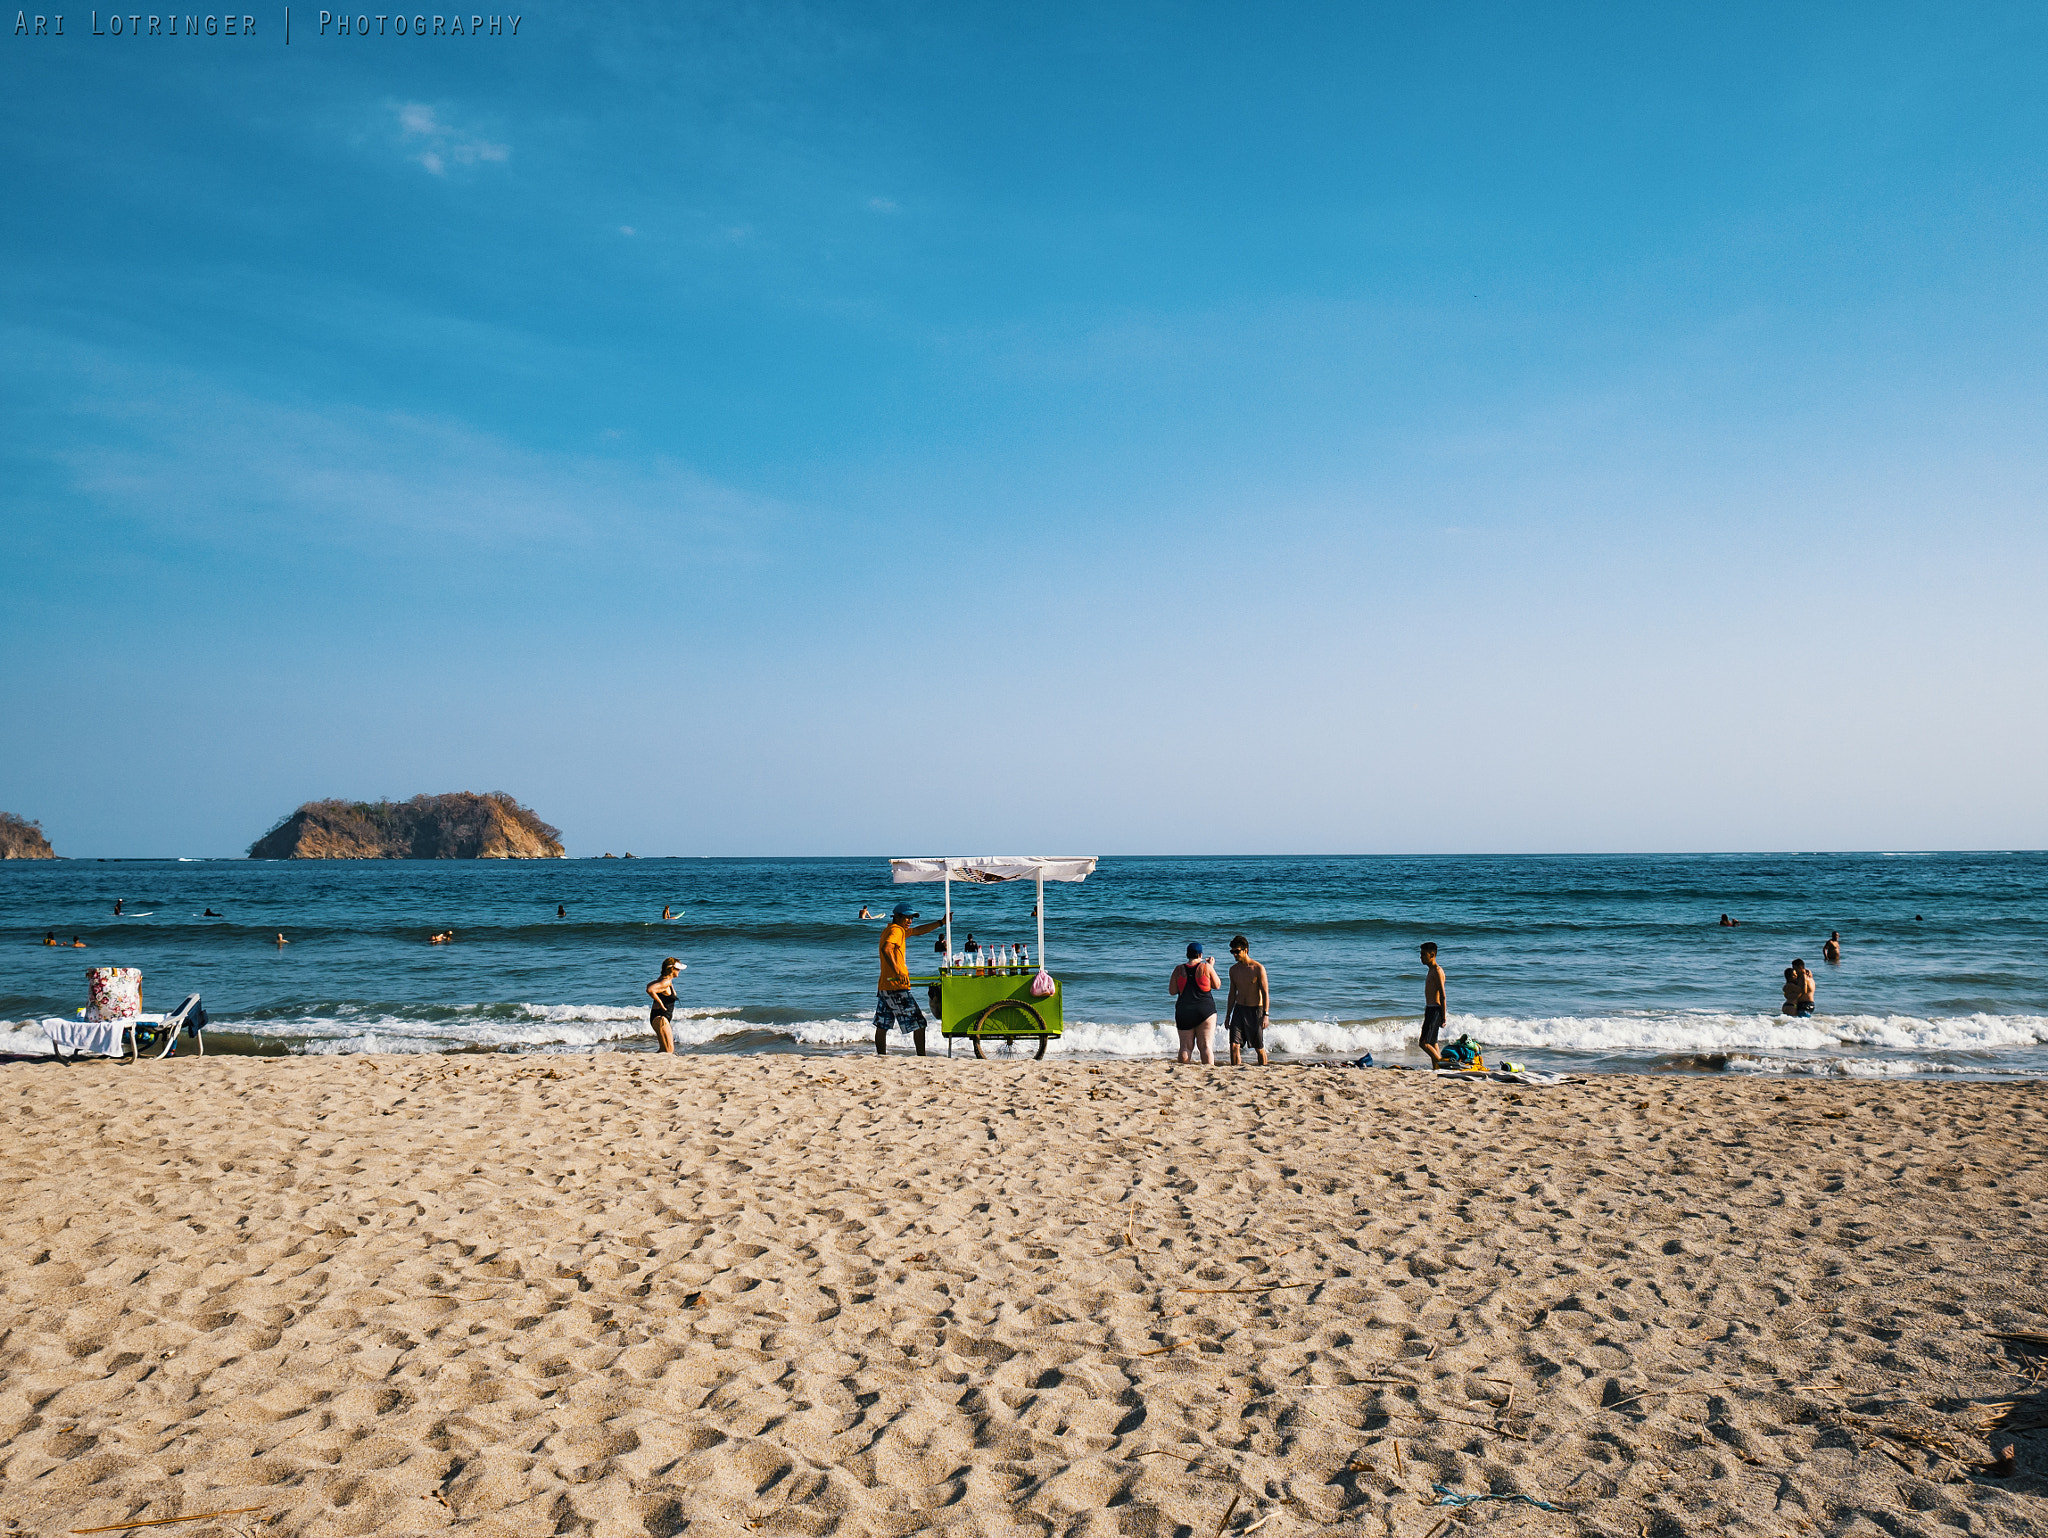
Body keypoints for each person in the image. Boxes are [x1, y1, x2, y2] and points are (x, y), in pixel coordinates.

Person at [875, 903, 946, 1054]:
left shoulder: (894, 930)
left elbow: (918, 931)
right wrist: (897, 973)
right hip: (896, 987)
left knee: (883, 1024)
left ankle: (881, 1056)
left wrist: (941, 923)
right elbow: (886, 949)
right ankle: (921, 1056)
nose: (910, 921)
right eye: (906, 917)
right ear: (897, 917)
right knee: (919, 1023)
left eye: (911, 917)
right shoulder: (895, 930)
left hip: (885, 986)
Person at [1170, 943, 1219, 1065]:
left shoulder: (1179, 969)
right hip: (1205, 1011)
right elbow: (1217, 985)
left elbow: (1172, 991)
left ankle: (1183, 1072)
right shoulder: (1206, 967)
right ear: (1200, 955)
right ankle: (1209, 1072)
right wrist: (1211, 966)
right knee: (1206, 1046)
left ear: (1187, 954)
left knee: (1185, 1047)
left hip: (1184, 1011)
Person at [1225, 933, 1270, 1067]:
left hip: (1255, 1010)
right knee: (1234, 1045)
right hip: (1239, 1010)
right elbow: (1232, 993)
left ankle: (1263, 1070)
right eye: (1232, 952)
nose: (1234, 955)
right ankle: (1235, 1072)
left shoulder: (1258, 968)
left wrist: (1266, 1015)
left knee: (1258, 1047)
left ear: (1246, 950)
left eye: (1237, 951)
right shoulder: (1233, 970)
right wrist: (1228, 1015)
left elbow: (1265, 993)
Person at [1419, 942, 1449, 1066]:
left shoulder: (1437, 971)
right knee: (1432, 1042)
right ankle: (1437, 1068)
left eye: (1424, 955)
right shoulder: (1431, 970)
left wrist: (1443, 1016)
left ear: (1432, 955)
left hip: (1435, 1010)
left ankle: (1442, 1064)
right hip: (1430, 1009)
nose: (1421, 957)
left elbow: (1443, 995)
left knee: (1423, 1043)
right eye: (1420, 954)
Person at [646, 956, 683, 1053]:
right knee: (669, 1051)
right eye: (678, 969)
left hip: (659, 1018)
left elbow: (650, 985)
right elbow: (650, 989)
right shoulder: (665, 981)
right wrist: (661, 1003)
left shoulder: (666, 980)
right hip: (660, 1018)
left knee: (663, 1050)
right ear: (672, 969)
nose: (679, 971)